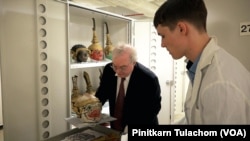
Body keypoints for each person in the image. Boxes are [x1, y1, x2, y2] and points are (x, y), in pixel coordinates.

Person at [153, 0, 250, 124]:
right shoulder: (200, 67)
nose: (162, 44)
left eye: (163, 36)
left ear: (182, 29)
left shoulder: (220, 84)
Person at [95, 43, 161, 132]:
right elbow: (102, 93)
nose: (117, 72)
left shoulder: (148, 79)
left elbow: (152, 110)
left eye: (123, 67)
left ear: (133, 62)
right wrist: (95, 110)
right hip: (116, 128)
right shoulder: (109, 69)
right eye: (115, 66)